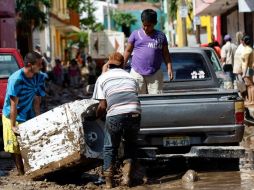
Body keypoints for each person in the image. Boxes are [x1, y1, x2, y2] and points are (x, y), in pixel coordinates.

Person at [93, 52, 141, 188]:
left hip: (115, 115)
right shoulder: (131, 77)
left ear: (108, 63)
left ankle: (108, 183)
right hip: (135, 113)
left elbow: (102, 106)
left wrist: (97, 116)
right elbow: (133, 96)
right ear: (123, 64)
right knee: (130, 145)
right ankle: (127, 178)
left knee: (109, 147)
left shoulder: (102, 78)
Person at [2, 51, 46, 175]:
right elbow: (13, 104)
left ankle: (33, 171)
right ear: (29, 64)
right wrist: (12, 126)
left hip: (28, 114)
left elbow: (37, 101)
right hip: (12, 115)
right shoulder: (16, 79)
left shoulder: (40, 77)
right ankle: (21, 173)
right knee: (15, 147)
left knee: (31, 143)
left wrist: (38, 119)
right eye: (39, 64)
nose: (41, 67)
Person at [124, 9, 173, 94]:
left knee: (155, 101)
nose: (146, 28)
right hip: (137, 73)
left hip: (155, 74)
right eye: (144, 25)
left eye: (149, 25)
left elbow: (166, 54)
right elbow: (128, 51)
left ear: (155, 23)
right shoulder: (135, 34)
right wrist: (121, 66)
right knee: (138, 100)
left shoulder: (161, 36)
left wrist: (169, 68)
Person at [241, 35, 254, 103]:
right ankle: (250, 100)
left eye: (242, 40)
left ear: (244, 41)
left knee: (251, 85)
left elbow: (245, 63)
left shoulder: (247, 51)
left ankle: (252, 100)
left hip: (247, 70)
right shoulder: (249, 49)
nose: (241, 42)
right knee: (249, 85)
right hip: (249, 69)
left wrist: (244, 73)